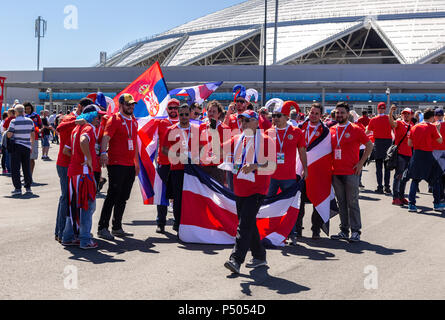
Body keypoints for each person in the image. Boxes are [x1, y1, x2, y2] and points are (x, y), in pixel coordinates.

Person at [224, 110, 275, 274]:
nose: (243, 124)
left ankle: (236, 259)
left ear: (256, 122)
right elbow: (220, 150)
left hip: (257, 189)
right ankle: (259, 256)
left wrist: (255, 166)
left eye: (247, 120)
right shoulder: (238, 139)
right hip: (240, 188)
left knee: (244, 225)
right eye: (241, 121)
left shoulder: (267, 140)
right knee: (249, 223)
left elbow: (273, 164)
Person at [62, 106, 105, 249]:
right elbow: (83, 141)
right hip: (83, 173)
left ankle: (68, 236)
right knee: (87, 205)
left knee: (73, 205)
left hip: (74, 171)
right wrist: (88, 159)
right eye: (98, 116)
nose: (100, 120)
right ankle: (85, 239)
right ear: (92, 116)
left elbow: (66, 150)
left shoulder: (76, 128)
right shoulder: (88, 128)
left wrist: (79, 158)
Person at [330, 102, 374, 243]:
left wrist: (361, 163)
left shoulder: (355, 129)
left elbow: (369, 145)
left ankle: (355, 231)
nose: (339, 115)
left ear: (348, 114)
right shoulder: (331, 129)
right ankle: (344, 230)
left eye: (342, 112)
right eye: (337, 112)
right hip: (336, 172)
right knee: (341, 202)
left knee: (352, 202)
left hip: (351, 172)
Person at [98, 94, 140, 239]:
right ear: (121, 105)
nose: (131, 107)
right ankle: (102, 227)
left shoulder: (134, 121)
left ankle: (117, 227)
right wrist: (103, 152)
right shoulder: (114, 119)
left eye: (132, 104)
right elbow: (106, 137)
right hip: (116, 163)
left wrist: (137, 163)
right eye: (128, 104)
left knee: (123, 197)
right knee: (112, 195)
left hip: (129, 164)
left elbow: (134, 144)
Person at [265, 101, 308, 244]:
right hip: (270, 176)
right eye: (273, 116)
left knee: (290, 206)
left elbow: (302, 152)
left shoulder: (296, 132)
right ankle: (269, 231)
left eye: (278, 116)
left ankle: (292, 233)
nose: (275, 118)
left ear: (286, 117)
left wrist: (305, 169)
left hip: (289, 177)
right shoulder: (268, 132)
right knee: (268, 204)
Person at [54, 98, 94, 243]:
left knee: (73, 200)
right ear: (80, 107)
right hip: (66, 164)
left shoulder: (87, 124)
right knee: (66, 198)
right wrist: (78, 121)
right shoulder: (70, 118)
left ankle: (70, 233)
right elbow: (59, 129)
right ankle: (61, 232)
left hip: (75, 165)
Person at [161, 104, 200, 233]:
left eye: (186, 114)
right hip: (177, 168)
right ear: (178, 114)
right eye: (181, 114)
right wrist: (177, 155)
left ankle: (190, 223)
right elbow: (164, 149)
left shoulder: (196, 129)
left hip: (193, 169)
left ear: (190, 114)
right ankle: (178, 223)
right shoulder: (170, 129)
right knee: (178, 198)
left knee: (191, 196)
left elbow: (201, 148)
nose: (183, 117)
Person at [295, 103, 328, 241]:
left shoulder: (326, 131)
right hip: (299, 169)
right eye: (311, 112)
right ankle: (297, 229)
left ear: (321, 115)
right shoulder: (299, 128)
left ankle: (316, 229)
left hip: (317, 171)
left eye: (316, 114)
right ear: (308, 112)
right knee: (298, 201)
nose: (313, 115)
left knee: (318, 199)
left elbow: (326, 150)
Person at [407, 108, 444, 212]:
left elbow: (409, 144)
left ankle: (411, 204)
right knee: (436, 179)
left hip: (417, 154)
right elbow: (440, 140)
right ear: (432, 117)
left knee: (415, 180)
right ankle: (437, 204)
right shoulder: (432, 127)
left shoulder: (414, 127)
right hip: (428, 155)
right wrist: (437, 130)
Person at [155, 99, 180, 234]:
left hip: (178, 164)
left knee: (177, 194)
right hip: (163, 164)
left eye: (175, 107)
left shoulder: (185, 122)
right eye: (170, 108)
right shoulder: (161, 122)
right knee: (162, 195)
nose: (173, 110)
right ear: (167, 109)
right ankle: (161, 222)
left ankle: (177, 222)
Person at [6, 104, 35, 196]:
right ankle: (28, 187)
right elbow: (33, 134)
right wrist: (31, 145)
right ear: (23, 111)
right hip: (27, 146)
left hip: (16, 146)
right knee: (26, 167)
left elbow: (9, 134)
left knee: (15, 168)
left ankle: (18, 188)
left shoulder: (13, 121)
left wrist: (6, 133)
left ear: (16, 112)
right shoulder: (30, 121)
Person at [199, 100, 229, 186]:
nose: (211, 113)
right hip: (203, 167)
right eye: (209, 111)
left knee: (217, 195)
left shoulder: (225, 128)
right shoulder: (201, 127)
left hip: (217, 167)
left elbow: (226, 151)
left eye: (214, 111)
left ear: (219, 114)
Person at [389, 106, 414, 206]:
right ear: (401, 115)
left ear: (411, 115)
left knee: (405, 177)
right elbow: (392, 123)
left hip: (409, 154)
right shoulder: (399, 123)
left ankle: (401, 196)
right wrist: (390, 113)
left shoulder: (412, 124)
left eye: (408, 113)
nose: (406, 115)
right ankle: (395, 198)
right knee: (398, 176)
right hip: (400, 154)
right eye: (404, 113)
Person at [366, 102, 393, 195]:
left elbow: (367, 131)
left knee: (378, 167)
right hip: (388, 143)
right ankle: (387, 187)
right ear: (384, 109)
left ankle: (380, 187)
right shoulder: (389, 118)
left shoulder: (373, 119)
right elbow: (394, 129)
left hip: (378, 143)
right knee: (387, 167)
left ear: (378, 109)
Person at [24, 102, 42, 180]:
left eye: (29, 108)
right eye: (26, 109)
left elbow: (40, 126)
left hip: (34, 139)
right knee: (24, 159)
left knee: (32, 159)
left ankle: (30, 176)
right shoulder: (22, 116)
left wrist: (36, 130)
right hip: (24, 139)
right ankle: (25, 175)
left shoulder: (36, 116)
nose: (28, 110)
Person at [434, 108, 445, 202]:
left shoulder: (432, 126)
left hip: (435, 152)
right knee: (442, 174)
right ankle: (442, 195)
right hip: (443, 151)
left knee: (436, 175)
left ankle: (439, 196)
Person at [1, 109, 15, 175]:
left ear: (11, 113)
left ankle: (9, 169)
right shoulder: (16, 119)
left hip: (8, 140)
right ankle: (14, 168)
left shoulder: (7, 120)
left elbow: (4, 130)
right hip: (16, 139)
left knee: (7, 155)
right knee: (14, 155)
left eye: (8, 113)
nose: (8, 114)